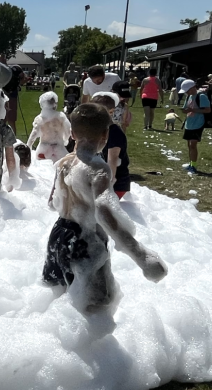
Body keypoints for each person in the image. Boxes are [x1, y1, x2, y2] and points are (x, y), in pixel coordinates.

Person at [42, 103, 167, 312]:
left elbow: (52, 202)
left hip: (59, 236)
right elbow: (104, 211)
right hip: (86, 241)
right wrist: (141, 256)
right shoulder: (98, 169)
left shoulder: (63, 163)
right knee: (96, 305)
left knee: (63, 297)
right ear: (105, 135)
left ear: (72, 134)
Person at [91, 93, 131, 198]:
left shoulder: (114, 132)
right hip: (100, 178)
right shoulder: (99, 129)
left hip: (116, 184)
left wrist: (108, 185)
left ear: (111, 112)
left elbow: (112, 160)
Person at [181, 82, 212, 175]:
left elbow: (208, 110)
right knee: (189, 145)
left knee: (193, 144)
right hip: (189, 123)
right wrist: (184, 110)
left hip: (198, 123)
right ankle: (191, 163)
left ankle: (194, 166)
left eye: (187, 90)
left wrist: (192, 110)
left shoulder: (201, 96)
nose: (186, 92)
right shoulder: (189, 96)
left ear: (192, 88)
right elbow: (186, 107)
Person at [27, 91, 70, 163]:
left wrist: (28, 146)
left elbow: (34, 134)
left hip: (44, 150)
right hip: (59, 149)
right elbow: (68, 130)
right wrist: (65, 139)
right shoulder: (61, 116)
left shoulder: (39, 118)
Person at [1, 60, 25, 128]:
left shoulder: (14, 69)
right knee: (5, 120)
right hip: (4, 98)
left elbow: (22, 80)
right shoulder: (15, 68)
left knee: (9, 120)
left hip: (9, 97)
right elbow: (22, 80)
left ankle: (11, 134)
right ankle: (3, 133)